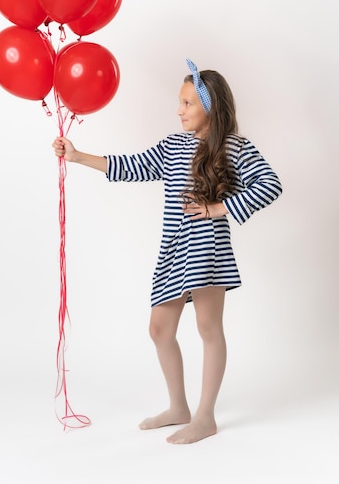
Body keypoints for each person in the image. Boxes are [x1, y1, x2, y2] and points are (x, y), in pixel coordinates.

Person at [52, 59, 282, 444]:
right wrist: (77, 156)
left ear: (211, 107)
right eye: (180, 102)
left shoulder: (234, 147)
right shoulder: (173, 145)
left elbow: (269, 185)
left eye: (188, 103)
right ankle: (179, 407)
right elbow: (131, 165)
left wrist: (216, 208)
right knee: (159, 330)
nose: (179, 110)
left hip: (208, 248)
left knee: (209, 328)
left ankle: (205, 417)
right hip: (173, 249)